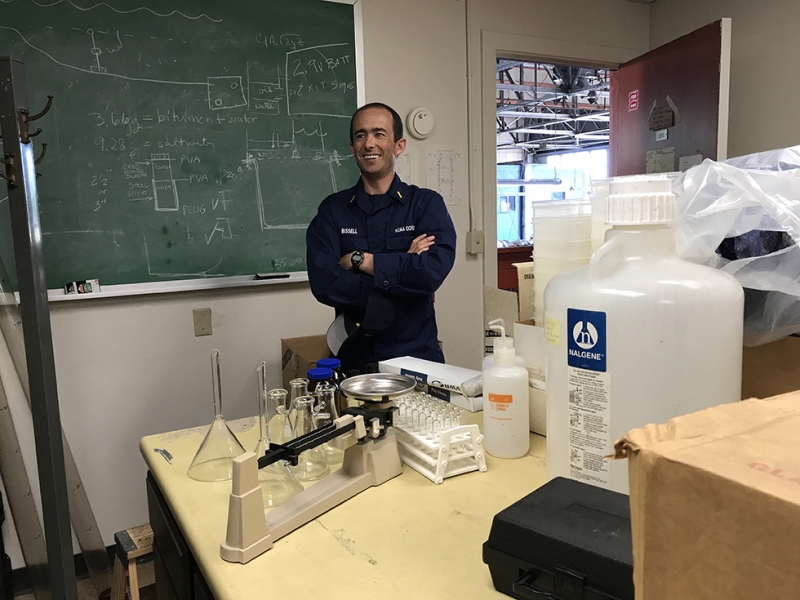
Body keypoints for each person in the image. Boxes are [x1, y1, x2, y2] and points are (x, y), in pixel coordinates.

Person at [306, 102, 456, 373]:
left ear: (399, 145)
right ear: (352, 147)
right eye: (360, 135)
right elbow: (324, 284)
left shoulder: (425, 205)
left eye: (379, 134)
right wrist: (404, 270)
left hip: (417, 360)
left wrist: (360, 261)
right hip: (353, 362)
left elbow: (432, 272)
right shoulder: (333, 210)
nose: (369, 144)